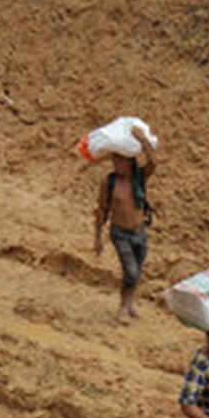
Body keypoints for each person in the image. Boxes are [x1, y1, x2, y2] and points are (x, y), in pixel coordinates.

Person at [93, 127, 157, 320]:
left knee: (135, 272)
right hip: (120, 233)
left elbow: (154, 162)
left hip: (139, 231)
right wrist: (97, 237)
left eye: (120, 160)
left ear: (129, 162)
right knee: (130, 270)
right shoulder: (109, 182)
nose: (116, 164)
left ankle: (129, 304)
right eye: (114, 160)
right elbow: (102, 210)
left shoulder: (139, 179)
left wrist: (143, 140)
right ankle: (123, 306)